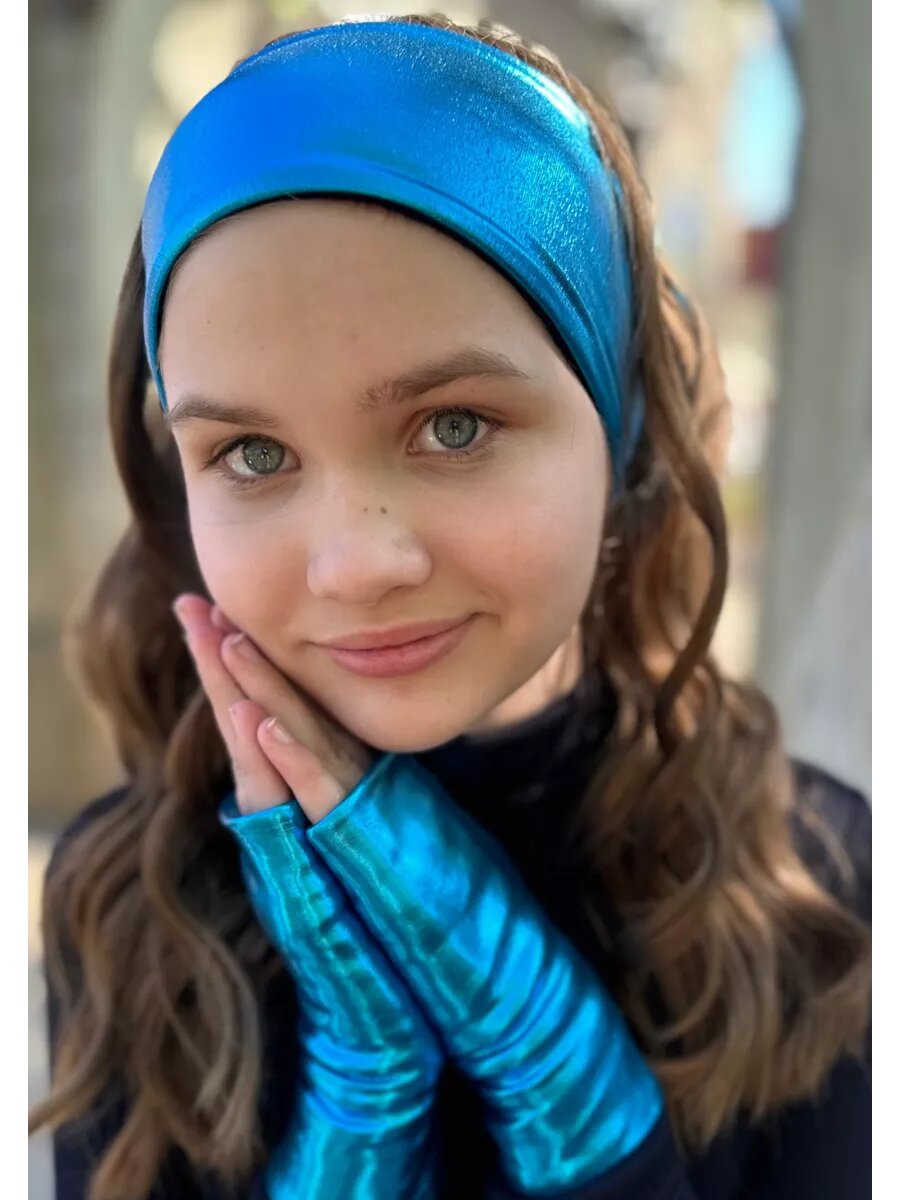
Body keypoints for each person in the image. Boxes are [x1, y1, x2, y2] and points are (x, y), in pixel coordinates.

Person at [29, 14, 871, 1200]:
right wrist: (364, 1097)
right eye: (253, 454)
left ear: (622, 436)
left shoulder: (819, 891)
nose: (355, 565)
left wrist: (556, 1060)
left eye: (456, 426)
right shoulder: (129, 903)